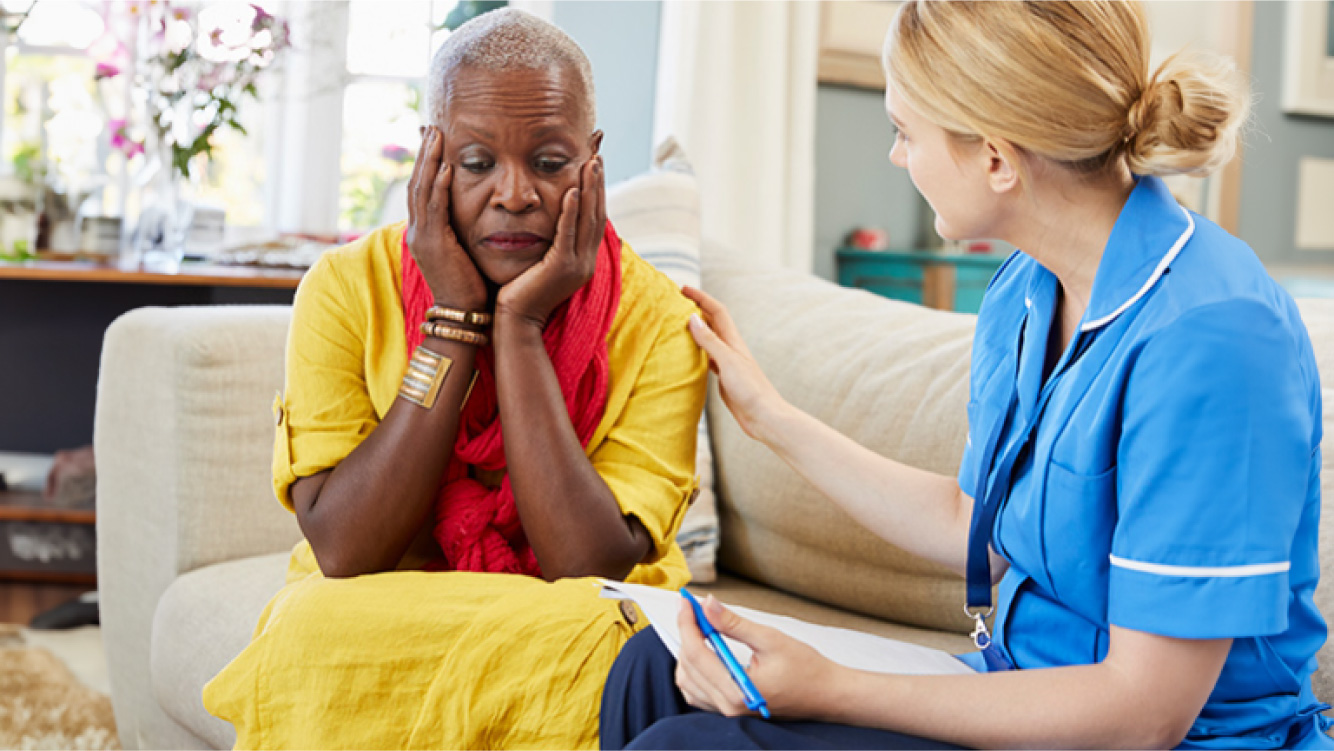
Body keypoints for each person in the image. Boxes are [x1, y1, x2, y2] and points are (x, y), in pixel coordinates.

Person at [601, 1, 1334, 749]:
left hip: (1177, 737)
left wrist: (833, 685)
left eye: (905, 132)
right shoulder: (1025, 290)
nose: (897, 156)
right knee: (654, 665)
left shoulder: (1216, 338)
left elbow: (1144, 714)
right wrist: (772, 419)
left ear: (995, 158)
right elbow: (973, 524)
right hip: (1019, 681)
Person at [201, 9, 707, 749]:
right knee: (308, 624)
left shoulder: (662, 320)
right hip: (390, 599)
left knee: (602, 641)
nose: (515, 194)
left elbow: (584, 567)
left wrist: (520, 328)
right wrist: (453, 323)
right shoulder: (344, 287)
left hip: (570, 614)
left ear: (592, 163)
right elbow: (345, 550)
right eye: (476, 163)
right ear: (430, 157)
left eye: (550, 163)